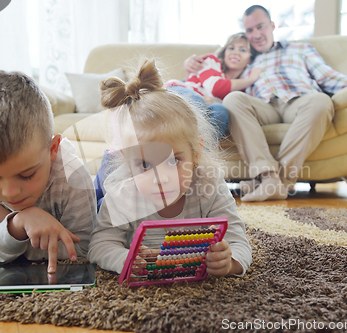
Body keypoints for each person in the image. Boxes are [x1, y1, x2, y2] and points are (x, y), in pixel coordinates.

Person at [184, 5, 347, 201]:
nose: (255, 34)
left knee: (321, 101)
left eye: (260, 27)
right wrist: (191, 63)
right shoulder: (244, 57)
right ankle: (268, 178)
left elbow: (329, 78)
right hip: (262, 107)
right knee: (233, 98)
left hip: (300, 100)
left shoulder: (299, 48)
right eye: (249, 30)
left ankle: (275, 183)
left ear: (272, 26)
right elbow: (217, 73)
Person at [87, 59, 252, 278]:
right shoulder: (122, 193)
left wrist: (230, 262)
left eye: (174, 161)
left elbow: (237, 239)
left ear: (196, 153)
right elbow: (100, 244)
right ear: (128, 162)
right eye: (145, 165)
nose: (161, 178)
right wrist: (124, 259)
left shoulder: (209, 185)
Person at [0, 70, 97, 273]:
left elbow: (83, 249)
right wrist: (18, 222)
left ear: (53, 149)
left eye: (27, 175)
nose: (10, 192)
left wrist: (6, 223)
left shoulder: (73, 176)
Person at [165, 32, 263, 139]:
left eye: (243, 50)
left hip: (203, 108)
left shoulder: (241, 90)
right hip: (177, 91)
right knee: (198, 101)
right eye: (231, 48)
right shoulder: (211, 60)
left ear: (250, 58)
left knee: (221, 112)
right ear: (225, 51)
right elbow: (216, 88)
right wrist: (251, 79)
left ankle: (200, 152)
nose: (235, 53)